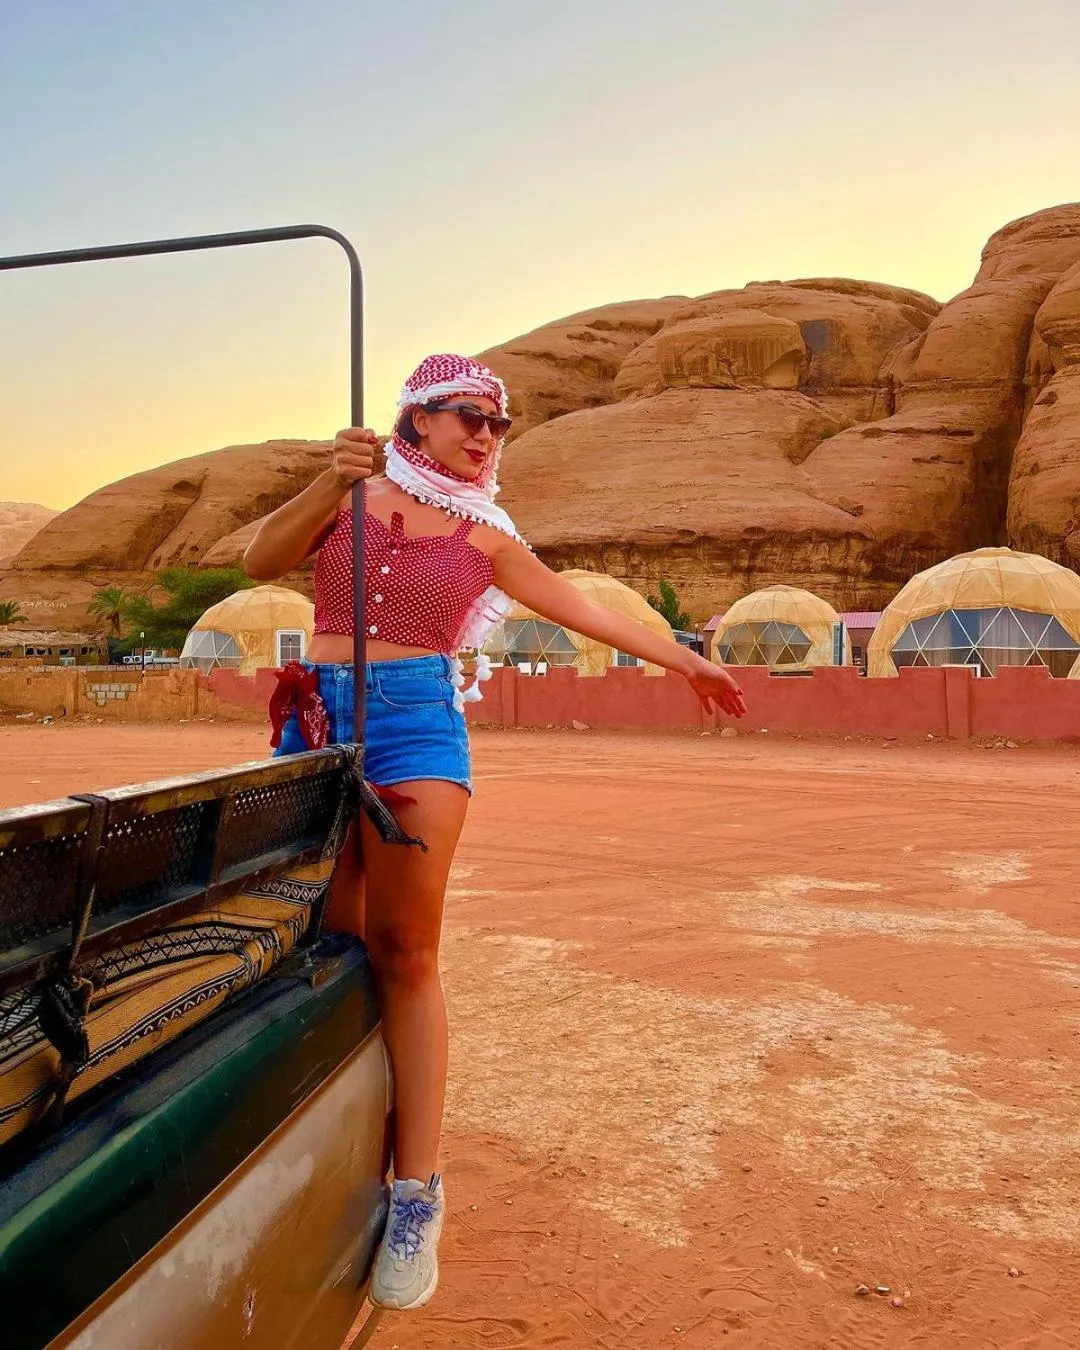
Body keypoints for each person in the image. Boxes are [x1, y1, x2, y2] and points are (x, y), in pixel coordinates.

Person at [243, 354, 748, 1312]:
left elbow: (583, 610)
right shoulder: (351, 493)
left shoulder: (487, 536)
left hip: (415, 720)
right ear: (417, 418)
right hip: (316, 717)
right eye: (467, 416)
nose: (485, 435)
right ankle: (333, 1138)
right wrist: (327, 479)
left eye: (497, 423)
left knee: (405, 948)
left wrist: (686, 661)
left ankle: (416, 1192)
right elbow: (260, 565)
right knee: (328, 935)